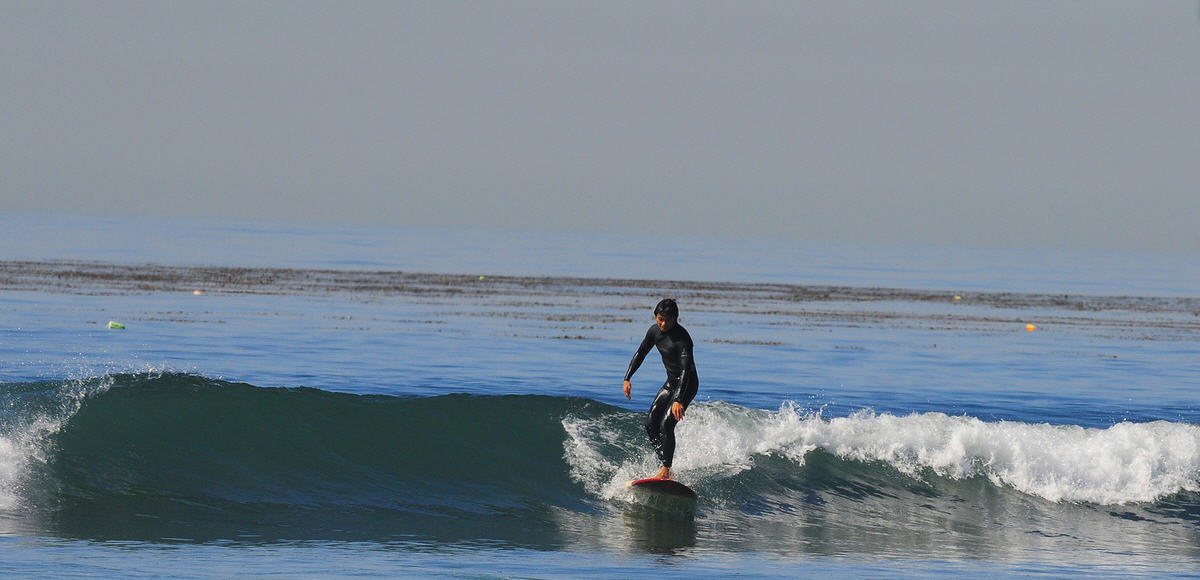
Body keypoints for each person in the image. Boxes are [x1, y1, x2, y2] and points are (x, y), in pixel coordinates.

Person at [622, 298, 698, 480]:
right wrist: (627, 378)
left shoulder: (683, 339)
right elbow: (641, 353)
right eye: (660, 319)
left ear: (675, 319)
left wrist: (679, 399)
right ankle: (666, 467)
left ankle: (666, 469)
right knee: (650, 425)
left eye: (667, 320)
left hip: (687, 384)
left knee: (666, 425)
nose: (663, 324)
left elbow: (686, 370)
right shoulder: (654, 332)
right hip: (671, 382)